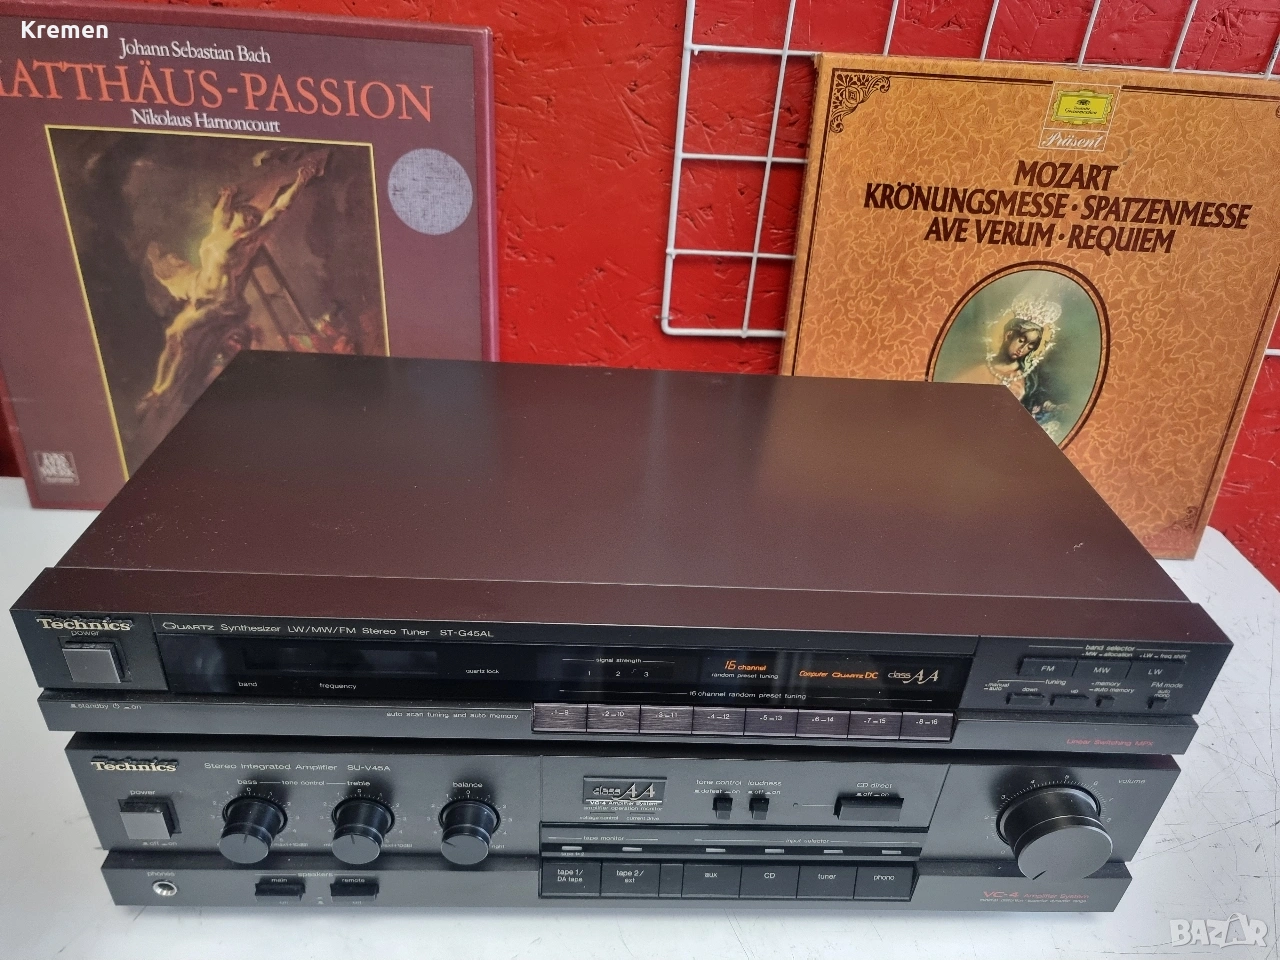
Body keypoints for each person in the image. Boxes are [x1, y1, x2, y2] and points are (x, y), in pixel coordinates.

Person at [138, 158, 321, 412]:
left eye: (254, 219)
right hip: (199, 290)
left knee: (182, 335)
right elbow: (220, 214)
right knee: (172, 336)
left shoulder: (246, 241)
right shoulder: (218, 231)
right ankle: (157, 389)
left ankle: (164, 391)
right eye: (248, 215)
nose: (251, 220)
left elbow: (278, 210)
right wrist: (227, 196)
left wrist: (300, 181)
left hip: (221, 302)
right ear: (237, 213)